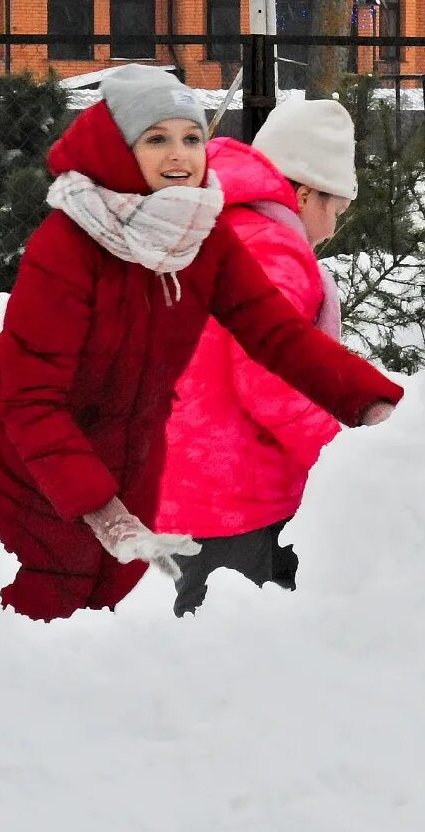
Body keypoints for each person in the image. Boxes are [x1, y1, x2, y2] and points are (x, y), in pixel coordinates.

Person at [0, 65, 402, 622]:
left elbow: (279, 337)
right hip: (26, 475)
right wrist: (100, 508)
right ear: (120, 147)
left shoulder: (201, 236)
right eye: (157, 138)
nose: (180, 155)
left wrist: (376, 406)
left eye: (192, 138)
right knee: (38, 634)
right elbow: (29, 400)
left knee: (117, 640)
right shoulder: (68, 246)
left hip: (127, 470)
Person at [154, 98, 360, 616]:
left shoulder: (220, 228)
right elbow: (273, 377)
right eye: (332, 211)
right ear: (303, 191)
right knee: (239, 651)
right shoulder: (272, 249)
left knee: (215, 640)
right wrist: (339, 454)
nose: (332, 230)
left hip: (194, 482)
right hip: (241, 494)